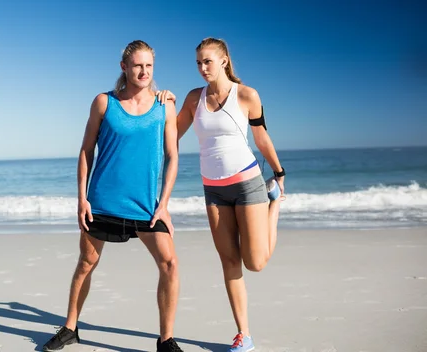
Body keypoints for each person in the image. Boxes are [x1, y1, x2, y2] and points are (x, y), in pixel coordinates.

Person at [43, 40, 182, 352]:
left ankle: (166, 339)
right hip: (102, 201)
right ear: (124, 67)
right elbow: (85, 150)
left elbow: (173, 156)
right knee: (87, 262)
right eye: (137, 65)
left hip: (146, 206)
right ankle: (70, 327)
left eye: (148, 66)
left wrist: (164, 203)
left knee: (170, 263)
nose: (143, 71)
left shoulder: (165, 106)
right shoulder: (104, 103)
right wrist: (82, 198)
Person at [158, 37, 285, 352]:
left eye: (208, 61)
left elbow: (262, 137)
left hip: (247, 183)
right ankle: (244, 334)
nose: (202, 68)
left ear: (224, 60)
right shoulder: (193, 98)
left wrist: (279, 173)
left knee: (254, 262)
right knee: (229, 260)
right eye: (198, 63)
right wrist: (164, 104)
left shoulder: (246, 96)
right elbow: (171, 134)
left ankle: (275, 207)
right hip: (213, 189)